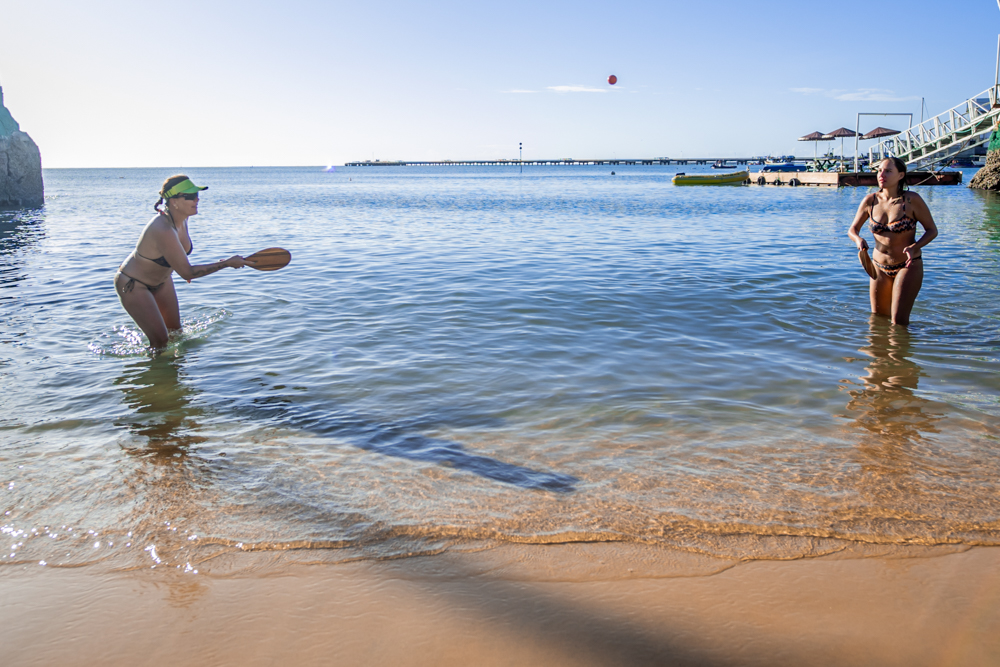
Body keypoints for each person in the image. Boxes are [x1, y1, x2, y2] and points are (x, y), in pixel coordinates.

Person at [115, 174, 251, 349]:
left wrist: (182, 268)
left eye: (197, 195)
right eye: (190, 196)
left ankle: (178, 367)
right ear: (174, 202)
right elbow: (187, 273)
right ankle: (153, 366)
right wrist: (226, 263)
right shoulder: (162, 228)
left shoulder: (182, 219)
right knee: (160, 341)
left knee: (176, 334)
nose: (197, 200)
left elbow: (176, 258)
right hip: (134, 284)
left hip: (163, 281)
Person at [848, 157, 938, 326]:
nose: (882, 175)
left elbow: (932, 230)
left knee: (899, 322)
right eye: (880, 171)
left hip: (907, 265)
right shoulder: (870, 201)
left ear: (900, 175)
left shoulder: (911, 200)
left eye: (888, 171)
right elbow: (852, 230)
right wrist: (858, 240)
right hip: (878, 267)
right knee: (878, 319)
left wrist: (915, 246)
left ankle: (901, 344)